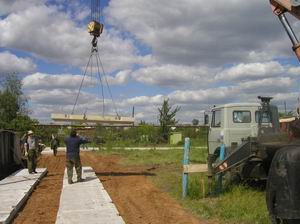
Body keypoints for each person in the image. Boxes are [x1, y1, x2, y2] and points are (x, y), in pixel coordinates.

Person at [266, 118, 300, 224]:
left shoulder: (280, 154)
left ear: (290, 133)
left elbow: (272, 185)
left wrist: (271, 211)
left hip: (286, 212)